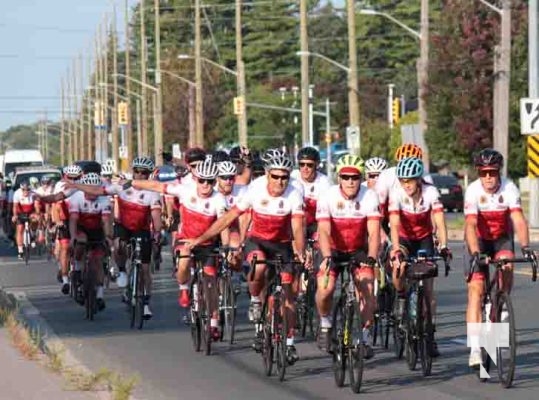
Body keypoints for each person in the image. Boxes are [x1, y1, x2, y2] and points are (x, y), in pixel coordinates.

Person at [186, 153, 306, 363]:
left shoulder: (294, 193)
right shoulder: (256, 189)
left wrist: (300, 251)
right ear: (268, 175)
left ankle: (289, 343)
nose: (280, 182)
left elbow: (297, 227)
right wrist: (201, 239)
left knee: (288, 292)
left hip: (282, 244)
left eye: (284, 177)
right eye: (276, 176)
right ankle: (255, 302)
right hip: (257, 241)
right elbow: (229, 217)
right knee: (258, 267)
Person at [131, 157, 228, 340]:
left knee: (211, 283)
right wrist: (133, 182)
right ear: (196, 179)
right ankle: (184, 288)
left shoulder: (219, 199)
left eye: (210, 181)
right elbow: (158, 187)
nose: (205, 185)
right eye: (202, 181)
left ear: (215, 182)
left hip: (207, 244)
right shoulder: (185, 190)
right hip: (186, 240)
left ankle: (214, 322)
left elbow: (223, 225)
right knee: (183, 260)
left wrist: (228, 247)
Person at [67, 157, 162, 319]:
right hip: (124, 226)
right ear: (133, 172)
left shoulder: (152, 192)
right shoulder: (123, 186)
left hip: (142, 229)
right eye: (136, 171)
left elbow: (156, 216)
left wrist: (157, 233)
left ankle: (145, 304)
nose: (139, 175)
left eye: (144, 173)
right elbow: (98, 191)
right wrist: (76, 185)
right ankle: (123, 270)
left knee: (145, 270)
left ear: (149, 174)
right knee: (118, 245)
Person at [464, 148, 532, 367]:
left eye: (492, 172)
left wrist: (526, 246)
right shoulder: (473, 191)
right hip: (479, 240)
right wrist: (475, 253)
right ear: (478, 172)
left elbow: (518, 220)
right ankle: (475, 348)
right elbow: (471, 225)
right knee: (476, 290)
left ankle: (500, 304)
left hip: (501, 237)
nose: (488, 177)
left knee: (508, 265)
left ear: (499, 172)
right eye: (483, 173)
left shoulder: (509, 188)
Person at [315, 155, 381, 358]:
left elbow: (374, 232)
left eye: (355, 177)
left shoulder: (369, 196)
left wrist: (371, 257)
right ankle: (325, 323)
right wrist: (326, 257)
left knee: (368, 287)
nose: (350, 181)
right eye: (345, 177)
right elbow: (324, 231)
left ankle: (366, 335)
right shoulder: (328, 196)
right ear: (339, 178)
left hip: (358, 250)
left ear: (360, 178)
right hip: (332, 249)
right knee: (325, 290)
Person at [389, 157, 450, 358]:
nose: (406, 184)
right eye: (402, 180)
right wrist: (396, 250)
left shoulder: (431, 192)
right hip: (405, 239)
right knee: (398, 268)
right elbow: (395, 224)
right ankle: (400, 296)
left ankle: (430, 335)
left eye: (410, 180)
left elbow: (440, 222)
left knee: (429, 291)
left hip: (424, 239)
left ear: (418, 180)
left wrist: (443, 245)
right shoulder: (396, 193)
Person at [68, 173, 113, 310]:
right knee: (81, 243)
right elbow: (73, 220)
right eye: (90, 188)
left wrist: (108, 237)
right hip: (81, 228)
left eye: (96, 188)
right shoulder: (76, 198)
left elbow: (106, 221)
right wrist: (72, 237)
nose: (93, 192)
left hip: (97, 229)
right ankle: (76, 268)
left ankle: (99, 295)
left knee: (98, 261)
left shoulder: (104, 199)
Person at [36, 165, 83, 293]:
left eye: (76, 178)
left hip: (81, 220)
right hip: (65, 220)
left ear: (81, 176)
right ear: (64, 177)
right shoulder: (60, 186)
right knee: (65, 248)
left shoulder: (85, 186)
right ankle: (65, 279)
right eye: (70, 178)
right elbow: (56, 204)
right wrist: (57, 221)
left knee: (82, 247)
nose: (73, 180)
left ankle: (78, 269)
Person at [12, 181, 41, 259]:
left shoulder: (33, 194)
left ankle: (33, 235)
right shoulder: (17, 193)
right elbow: (15, 206)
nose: (26, 192)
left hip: (30, 211)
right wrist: (15, 215)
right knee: (20, 229)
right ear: (21, 189)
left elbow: (36, 206)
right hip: (20, 212)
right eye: (24, 190)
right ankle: (20, 250)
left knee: (35, 220)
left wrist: (37, 214)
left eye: (27, 190)